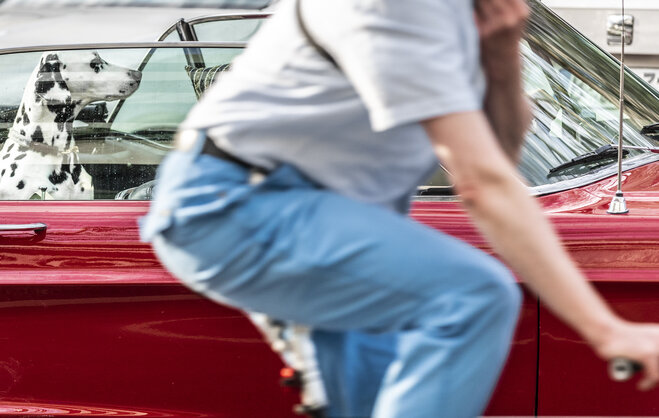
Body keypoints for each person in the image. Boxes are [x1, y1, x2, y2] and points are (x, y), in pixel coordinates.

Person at [141, 0, 659, 417]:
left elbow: (499, 155)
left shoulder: (455, 14)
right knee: (473, 296)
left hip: (330, 217)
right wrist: (606, 329)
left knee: (364, 403)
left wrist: (501, 48)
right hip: (239, 203)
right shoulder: (395, 8)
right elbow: (484, 182)